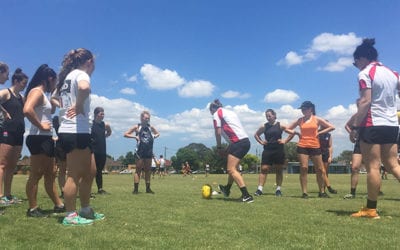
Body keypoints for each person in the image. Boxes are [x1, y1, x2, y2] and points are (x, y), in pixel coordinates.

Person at [349, 39, 400, 219]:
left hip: (372, 123)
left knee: (373, 167)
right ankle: (370, 209)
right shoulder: (394, 73)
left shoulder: (365, 73)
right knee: (393, 164)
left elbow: (365, 101)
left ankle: (371, 210)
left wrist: (355, 127)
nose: (355, 65)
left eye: (355, 61)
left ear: (362, 58)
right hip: (392, 124)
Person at [56, 48, 104, 226]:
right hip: (73, 131)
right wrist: (77, 105)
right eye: (94, 62)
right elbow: (85, 88)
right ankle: (70, 215)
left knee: (90, 172)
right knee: (74, 175)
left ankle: (85, 209)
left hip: (80, 131)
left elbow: (58, 99)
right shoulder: (80, 75)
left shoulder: (68, 76)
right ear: (89, 61)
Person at [23, 64, 65, 217]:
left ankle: (59, 204)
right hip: (38, 138)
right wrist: (40, 125)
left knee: (50, 173)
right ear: (49, 79)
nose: (55, 85)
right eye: (55, 82)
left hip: (45, 138)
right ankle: (32, 208)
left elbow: (47, 112)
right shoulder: (37, 91)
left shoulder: (44, 95)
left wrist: (53, 104)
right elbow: (27, 109)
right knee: (36, 174)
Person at [287, 101, 335, 198]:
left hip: (315, 146)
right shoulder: (300, 120)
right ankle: (304, 192)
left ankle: (321, 192)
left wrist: (320, 132)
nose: (303, 111)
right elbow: (287, 128)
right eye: (302, 109)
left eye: (304, 109)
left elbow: (332, 127)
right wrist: (296, 133)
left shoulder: (316, 119)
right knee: (304, 168)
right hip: (302, 145)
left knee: (320, 169)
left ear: (310, 109)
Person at [209, 99, 253, 203]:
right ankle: (227, 188)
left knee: (231, 169)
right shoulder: (230, 112)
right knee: (234, 169)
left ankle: (246, 196)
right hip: (245, 142)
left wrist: (219, 147)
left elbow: (218, 132)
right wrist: (227, 150)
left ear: (212, 109)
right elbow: (234, 132)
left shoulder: (216, 113)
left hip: (238, 143)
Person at [0, 68, 28, 205]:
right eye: (23, 83)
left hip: (19, 133)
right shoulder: (6, 93)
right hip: (7, 131)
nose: (25, 86)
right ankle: (0, 196)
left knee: (12, 165)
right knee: (2, 164)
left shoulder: (22, 98)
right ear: (16, 81)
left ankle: (7, 195)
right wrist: (4, 112)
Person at [254, 108, 295, 197]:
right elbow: (256, 135)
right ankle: (259, 189)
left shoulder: (280, 125)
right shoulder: (264, 126)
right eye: (266, 116)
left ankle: (278, 190)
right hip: (268, 149)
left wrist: (285, 141)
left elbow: (292, 133)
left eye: (269, 115)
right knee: (264, 168)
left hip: (278, 149)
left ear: (274, 115)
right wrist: (261, 142)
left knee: (279, 170)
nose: (268, 117)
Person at [124, 111, 160, 194]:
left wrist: (154, 136)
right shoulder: (137, 127)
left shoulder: (151, 127)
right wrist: (134, 136)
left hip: (149, 151)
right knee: (138, 170)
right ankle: (136, 189)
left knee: (148, 170)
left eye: (148, 118)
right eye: (146, 118)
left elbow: (158, 133)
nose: (147, 119)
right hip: (139, 151)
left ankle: (148, 188)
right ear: (141, 118)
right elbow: (125, 134)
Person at [91, 107, 112, 195]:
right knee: (92, 170)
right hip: (92, 150)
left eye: (103, 113)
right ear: (96, 114)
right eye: (101, 113)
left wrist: (104, 136)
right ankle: (88, 190)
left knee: (99, 170)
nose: (103, 115)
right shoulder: (91, 124)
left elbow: (109, 132)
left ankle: (100, 189)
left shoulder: (105, 125)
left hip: (102, 150)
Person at [318, 122, 337, 194]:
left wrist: (330, 156)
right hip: (318, 153)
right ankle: (328, 187)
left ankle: (324, 188)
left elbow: (330, 146)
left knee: (325, 172)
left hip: (326, 153)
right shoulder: (317, 132)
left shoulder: (328, 135)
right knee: (322, 171)